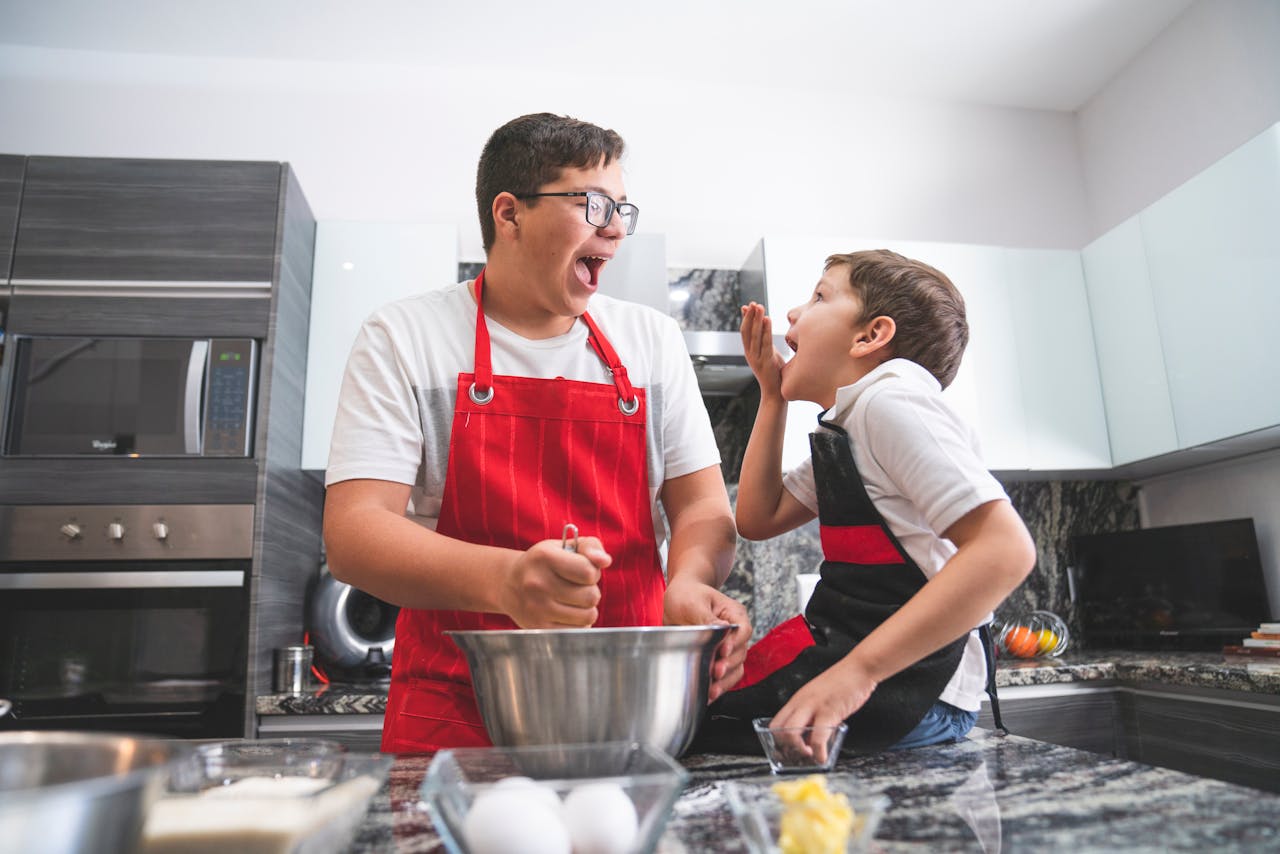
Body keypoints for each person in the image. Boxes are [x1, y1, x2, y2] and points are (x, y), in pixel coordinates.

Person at [322, 113, 750, 753]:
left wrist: (689, 581)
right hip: (456, 711)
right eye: (594, 204)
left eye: (622, 209)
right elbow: (355, 534)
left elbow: (703, 507)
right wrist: (504, 581)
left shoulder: (650, 342)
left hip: (631, 710)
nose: (614, 228)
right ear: (509, 214)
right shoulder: (405, 337)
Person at [692, 249, 1036, 757]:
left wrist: (856, 675)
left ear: (870, 336)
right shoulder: (850, 423)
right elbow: (758, 517)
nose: (791, 313)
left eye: (819, 296)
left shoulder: (890, 402)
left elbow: (1005, 550)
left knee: (703, 731)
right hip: (884, 676)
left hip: (913, 689)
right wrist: (772, 395)